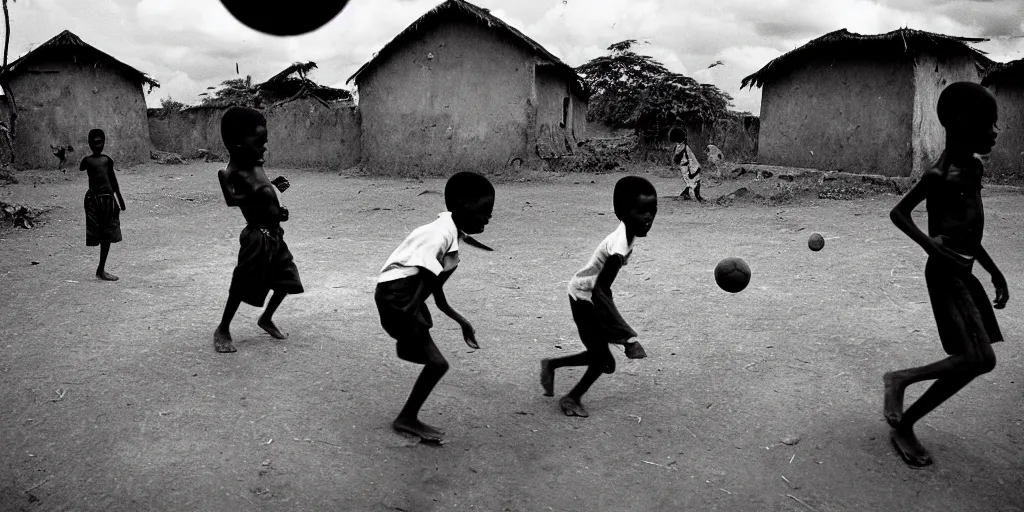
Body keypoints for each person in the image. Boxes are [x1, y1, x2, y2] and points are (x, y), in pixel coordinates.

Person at [883, 82, 1009, 468]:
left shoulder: (973, 168)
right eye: (990, 124)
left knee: (980, 360)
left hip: (966, 271)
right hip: (945, 272)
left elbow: (969, 229)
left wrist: (993, 270)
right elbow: (899, 213)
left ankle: (900, 380)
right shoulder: (939, 173)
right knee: (977, 358)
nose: (995, 132)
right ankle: (903, 416)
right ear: (963, 122)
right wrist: (928, 244)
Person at [374, 171, 495, 443]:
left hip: (404, 296)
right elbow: (427, 282)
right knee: (437, 364)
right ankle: (406, 418)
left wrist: (460, 320)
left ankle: (407, 347)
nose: (489, 218)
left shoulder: (450, 235)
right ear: (464, 208)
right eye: (484, 211)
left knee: (430, 353)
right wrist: (407, 316)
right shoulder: (439, 235)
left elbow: (434, 287)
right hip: (397, 296)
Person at [540, 176, 657, 417]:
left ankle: (552, 365)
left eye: (652, 211)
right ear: (622, 213)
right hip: (583, 296)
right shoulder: (618, 248)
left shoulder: (628, 233)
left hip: (590, 294)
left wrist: (622, 336)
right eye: (641, 212)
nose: (649, 218)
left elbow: (604, 290)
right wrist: (626, 338)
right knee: (603, 361)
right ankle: (571, 398)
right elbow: (601, 290)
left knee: (601, 358)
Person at [213, 107, 304, 354]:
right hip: (256, 238)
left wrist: (278, 209)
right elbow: (232, 200)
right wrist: (259, 193)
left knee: (287, 280)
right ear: (238, 143)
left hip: (274, 234)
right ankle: (223, 328)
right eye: (259, 142)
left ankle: (266, 318)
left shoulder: (256, 164)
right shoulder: (229, 173)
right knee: (242, 283)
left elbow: (266, 193)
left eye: (264, 142)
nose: (264, 148)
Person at [80, 129, 125, 281]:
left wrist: (120, 200)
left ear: (104, 142)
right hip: (94, 201)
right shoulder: (86, 161)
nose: (97, 145)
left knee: (107, 234)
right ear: (89, 143)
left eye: (100, 142)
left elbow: (113, 181)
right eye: (94, 142)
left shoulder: (107, 160)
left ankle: (101, 269)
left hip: (108, 201)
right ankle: (101, 269)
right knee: (97, 233)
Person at [670, 128, 703, 201]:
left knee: (690, 181)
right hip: (688, 167)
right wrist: (696, 168)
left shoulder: (677, 147)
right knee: (695, 181)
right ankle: (697, 196)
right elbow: (690, 158)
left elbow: (675, 158)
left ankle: (686, 194)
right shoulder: (685, 147)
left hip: (683, 168)